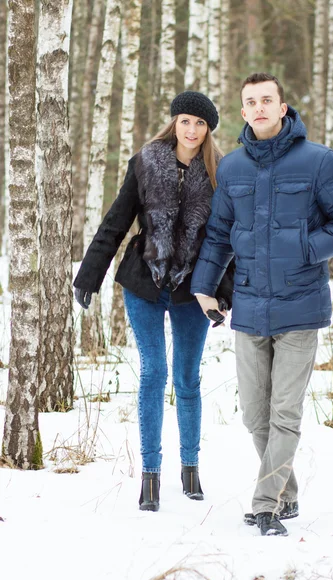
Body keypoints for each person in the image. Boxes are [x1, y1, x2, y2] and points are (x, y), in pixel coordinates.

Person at [191, 73, 333, 536]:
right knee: (254, 414)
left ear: (283, 107)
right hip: (249, 307)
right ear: (243, 112)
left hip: (300, 306)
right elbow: (217, 235)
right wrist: (204, 286)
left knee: (284, 412)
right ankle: (286, 494)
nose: (260, 107)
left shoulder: (318, 162)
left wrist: (307, 249)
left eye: (268, 99)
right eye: (251, 101)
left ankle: (265, 506)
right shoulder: (231, 169)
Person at [74, 91, 233, 512]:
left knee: (187, 378)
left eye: (201, 124)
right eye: (186, 121)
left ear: (208, 130)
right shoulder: (146, 162)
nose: (193, 130)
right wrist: (90, 274)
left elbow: (227, 240)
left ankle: (191, 467)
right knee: (153, 372)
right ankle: (149, 474)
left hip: (192, 289)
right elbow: (116, 220)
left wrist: (223, 293)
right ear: (174, 122)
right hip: (144, 282)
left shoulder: (221, 173)